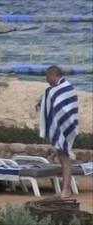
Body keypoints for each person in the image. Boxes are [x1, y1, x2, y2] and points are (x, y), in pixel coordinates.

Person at [39, 65, 79, 198]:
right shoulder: (61, 88)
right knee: (62, 157)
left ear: (53, 74)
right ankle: (65, 189)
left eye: (47, 76)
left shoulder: (63, 89)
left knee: (65, 157)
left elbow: (66, 107)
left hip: (65, 127)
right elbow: (51, 104)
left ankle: (66, 190)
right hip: (64, 126)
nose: (46, 79)